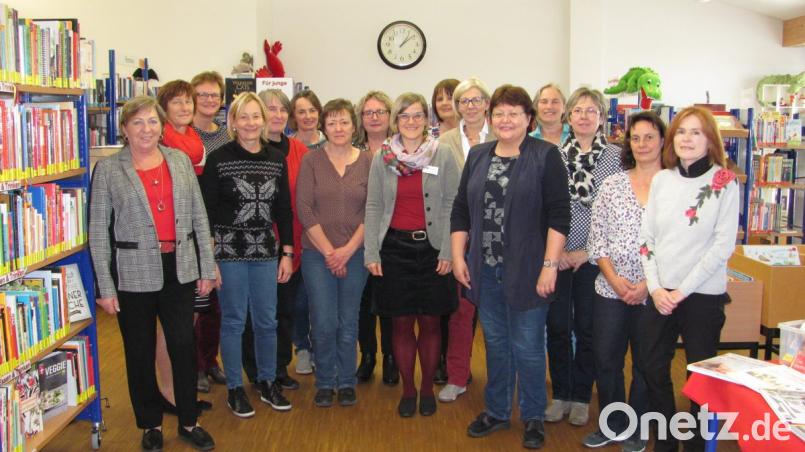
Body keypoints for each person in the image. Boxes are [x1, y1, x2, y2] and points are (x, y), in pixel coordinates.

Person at [89, 96, 216, 451]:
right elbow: (99, 231)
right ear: (125, 130)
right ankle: (150, 425)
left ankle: (189, 420)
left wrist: (206, 265)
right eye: (138, 123)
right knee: (139, 351)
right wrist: (105, 284)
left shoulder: (179, 161)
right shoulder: (110, 170)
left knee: (182, 346)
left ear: (162, 127)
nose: (147, 129)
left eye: (153, 122)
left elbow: (198, 216)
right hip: (131, 273)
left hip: (180, 267)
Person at [451, 84, 570, 450]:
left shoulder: (545, 155)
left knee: (529, 347)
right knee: (497, 345)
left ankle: (532, 416)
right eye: (499, 113)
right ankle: (498, 410)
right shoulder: (479, 155)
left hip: (529, 271)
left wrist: (550, 266)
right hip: (484, 270)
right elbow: (460, 209)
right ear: (490, 118)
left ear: (528, 119)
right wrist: (458, 256)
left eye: (514, 113)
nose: (506, 120)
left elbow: (559, 216)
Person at [637, 106, 738, 452]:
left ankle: (695, 444)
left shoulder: (724, 181)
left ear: (710, 139)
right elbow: (647, 240)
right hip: (661, 293)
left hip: (702, 296)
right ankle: (666, 440)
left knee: (700, 377)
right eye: (681, 131)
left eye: (696, 132)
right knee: (651, 366)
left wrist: (681, 290)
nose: (687, 138)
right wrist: (655, 287)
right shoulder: (663, 179)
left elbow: (722, 246)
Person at [364, 92, 460, 418]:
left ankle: (427, 388)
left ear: (427, 119)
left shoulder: (442, 154)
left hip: (433, 249)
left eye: (418, 115)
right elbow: (374, 205)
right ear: (396, 120)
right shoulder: (383, 157)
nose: (411, 121)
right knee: (401, 324)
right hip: (394, 249)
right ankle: (408, 389)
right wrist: (371, 251)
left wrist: (448, 249)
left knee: (432, 323)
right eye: (405, 116)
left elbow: (452, 204)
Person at [199, 92, 294, 417]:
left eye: (256, 116)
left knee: (267, 321)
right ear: (233, 122)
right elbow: (207, 212)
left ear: (264, 121)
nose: (251, 123)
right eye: (244, 117)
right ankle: (236, 388)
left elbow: (283, 209)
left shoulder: (276, 158)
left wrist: (288, 253)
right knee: (235, 321)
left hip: (266, 252)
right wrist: (208, 260)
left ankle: (267, 382)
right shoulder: (219, 159)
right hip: (228, 253)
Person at [583, 111, 666, 452]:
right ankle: (611, 424)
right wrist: (616, 281)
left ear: (663, 140)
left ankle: (635, 428)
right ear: (628, 143)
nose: (642, 143)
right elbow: (597, 237)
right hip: (609, 287)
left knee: (646, 362)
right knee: (605, 358)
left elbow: (678, 244)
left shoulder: (674, 186)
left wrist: (647, 284)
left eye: (650, 136)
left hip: (656, 290)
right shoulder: (612, 184)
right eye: (636, 137)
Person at [545, 87, 623, 427]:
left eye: (592, 110)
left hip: (597, 259)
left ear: (602, 117)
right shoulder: (554, 155)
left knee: (588, 329)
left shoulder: (618, 157)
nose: (584, 116)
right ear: (568, 116)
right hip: (559, 256)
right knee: (558, 327)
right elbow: (547, 207)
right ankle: (560, 392)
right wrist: (558, 251)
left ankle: (580, 395)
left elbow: (619, 214)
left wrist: (586, 252)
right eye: (578, 110)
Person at [297, 98, 372, 407]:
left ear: (354, 126)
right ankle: (326, 380)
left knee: (348, 320)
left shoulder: (369, 160)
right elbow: (304, 208)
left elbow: (374, 210)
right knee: (324, 321)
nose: (338, 128)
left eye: (344, 122)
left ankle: (347, 380)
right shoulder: (311, 161)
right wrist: (331, 252)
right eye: (332, 122)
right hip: (317, 254)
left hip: (356, 253)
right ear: (323, 127)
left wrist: (348, 250)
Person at [240, 89, 310, 391]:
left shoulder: (299, 151)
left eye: (283, 109)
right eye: (271, 109)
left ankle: (280, 368)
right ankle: (256, 371)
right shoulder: (248, 149)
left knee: (283, 310)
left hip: (290, 242)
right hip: (253, 244)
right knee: (252, 313)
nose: (278, 115)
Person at [154, 80, 215, 409]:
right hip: (172, 239)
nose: (185, 107)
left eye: (188, 102)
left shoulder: (193, 140)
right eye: (176, 102)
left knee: (188, 319)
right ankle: (167, 394)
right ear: (163, 107)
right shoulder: (161, 141)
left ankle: (182, 391)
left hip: (194, 235)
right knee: (171, 325)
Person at [435, 77, 496, 402]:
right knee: (460, 313)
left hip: (500, 238)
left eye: (476, 100)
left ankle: (502, 379)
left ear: (487, 103)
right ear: (457, 108)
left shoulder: (506, 136)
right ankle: (457, 376)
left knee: (500, 314)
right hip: (459, 238)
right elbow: (433, 185)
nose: (470, 106)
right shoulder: (442, 142)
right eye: (464, 101)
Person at [353, 90, 399, 385]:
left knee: (390, 301)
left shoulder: (402, 149)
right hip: (357, 237)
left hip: (393, 237)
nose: (374, 117)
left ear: (390, 116)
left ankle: (391, 358)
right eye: (368, 112)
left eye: (380, 111)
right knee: (362, 301)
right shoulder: (352, 149)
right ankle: (367, 356)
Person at [190, 71, 230, 389]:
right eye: (202, 94)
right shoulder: (182, 135)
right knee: (196, 299)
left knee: (217, 302)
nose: (209, 100)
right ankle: (195, 366)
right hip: (192, 224)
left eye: (214, 95)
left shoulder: (226, 135)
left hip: (222, 223)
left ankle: (210, 360)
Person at [288, 89, 324, 375]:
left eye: (312, 110)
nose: (308, 116)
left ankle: (323, 347)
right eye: (301, 111)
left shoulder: (332, 142)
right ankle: (302, 347)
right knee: (300, 298)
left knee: (321, 298)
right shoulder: (287, 147)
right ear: (294, 116)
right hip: (299, 231)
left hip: (330, 233)